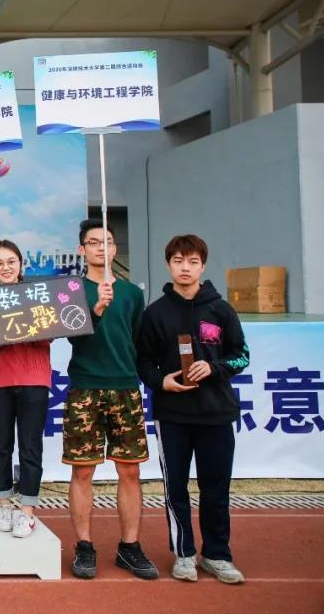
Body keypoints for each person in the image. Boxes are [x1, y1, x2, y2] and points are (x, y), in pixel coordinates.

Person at [137, 234, 249, 585]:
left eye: (192, 262)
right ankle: (183, 553)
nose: (185, 268)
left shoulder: (221, 310)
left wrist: (214, 368)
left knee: (216, 488)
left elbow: (241, 355)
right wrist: (161, 381)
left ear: (203, 265)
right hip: (172, 416)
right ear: (168, 264)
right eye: (178, 261)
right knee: (176, 490)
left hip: (217, 414)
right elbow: (143, 362)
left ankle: (217, 554)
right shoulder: (155, 313)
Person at [64, 219, 158, 581]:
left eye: (107, 242)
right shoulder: (71, 289)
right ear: (81, 249)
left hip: (125, 388)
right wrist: (97, 309)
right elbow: (74, 338)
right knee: (82, 470)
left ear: (115, 249)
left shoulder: (132, 294)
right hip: (85, 387)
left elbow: (138, 342)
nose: (101, 248)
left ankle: (129, 547)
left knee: (130, 471)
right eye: (93, 242)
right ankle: (84, 546)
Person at [0, 239, 52, 539]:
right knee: (1, 445)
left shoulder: (38, 294)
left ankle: (27, 511)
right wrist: (15, 326)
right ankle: (4, 504)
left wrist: (13, 325)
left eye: (11, 262)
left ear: (21, 264)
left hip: (34, 379)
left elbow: (46, 335)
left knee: (30, 446)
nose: (6, 267)